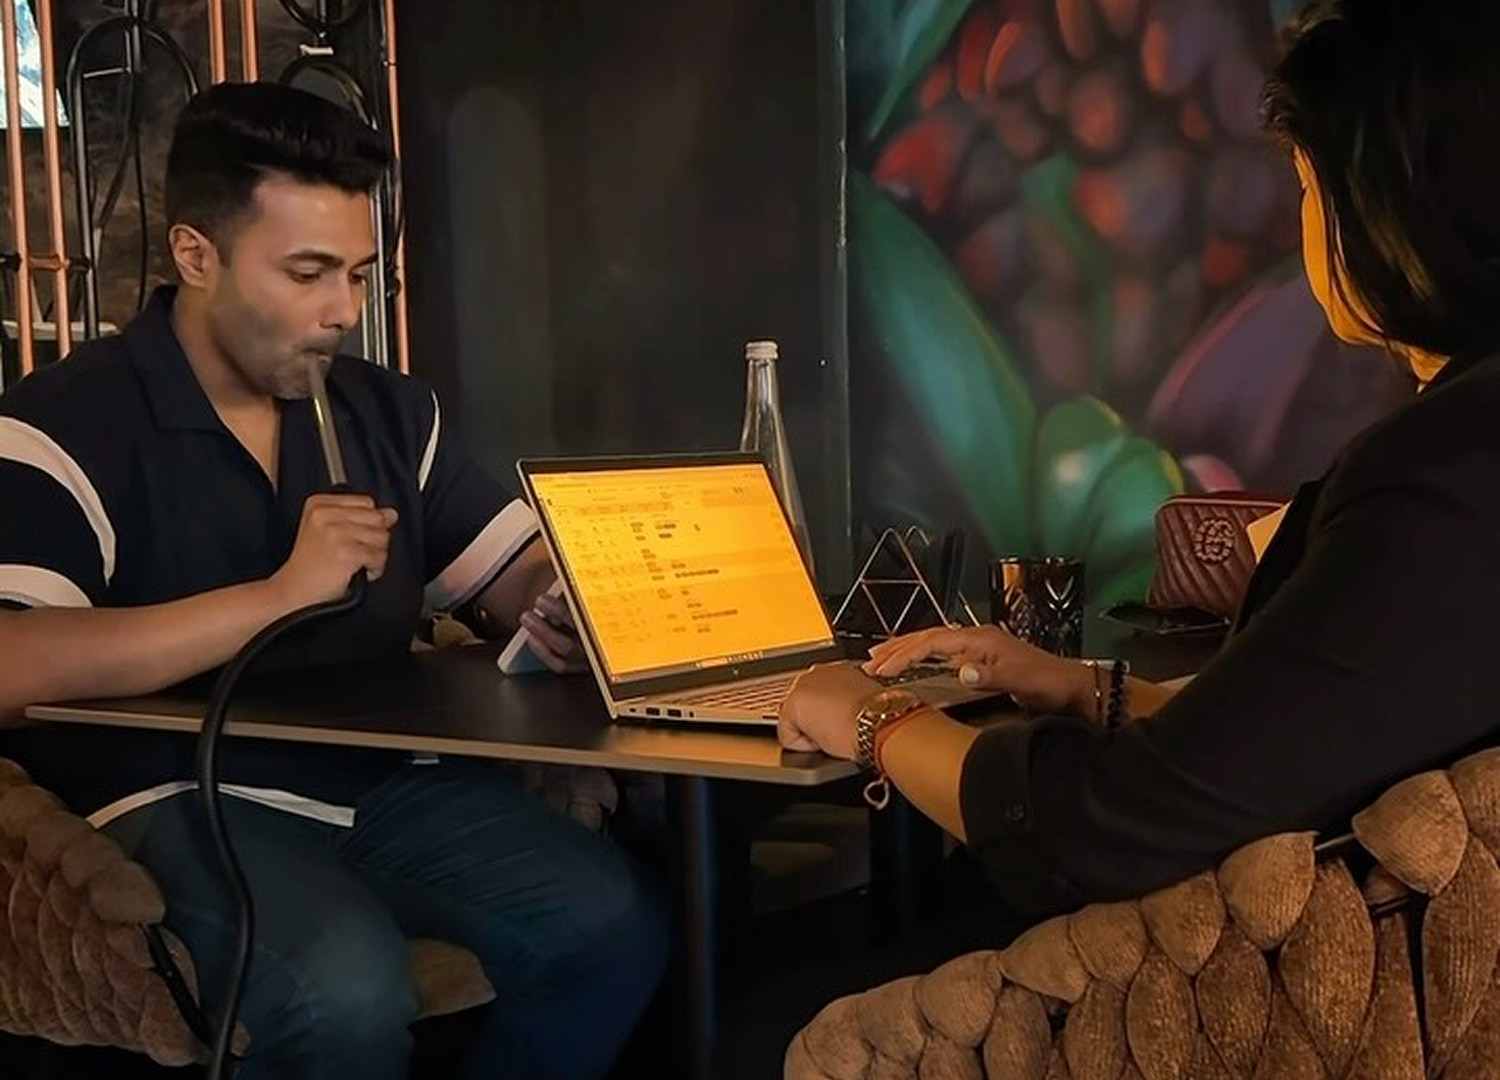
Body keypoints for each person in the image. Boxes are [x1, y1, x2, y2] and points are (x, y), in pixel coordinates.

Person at [762, 0, 1500, 1060]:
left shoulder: (1447, 477)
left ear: (1389, 211)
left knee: (765, 1020)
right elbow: (1328, 729)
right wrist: (1087, 687)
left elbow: (1109, 829)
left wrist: (866, 716)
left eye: (1308, 191)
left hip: (1246, 999)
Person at [0, 82, 665, 1080]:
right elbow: (13, 660)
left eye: (357, 274)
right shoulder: (61, 422)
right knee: (338, 987)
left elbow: (508, 565)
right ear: (196, 255)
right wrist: (274, 595)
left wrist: (557, 601)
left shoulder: (389, 415)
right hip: (173, 793)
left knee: (615, 923)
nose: (342, 311)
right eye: (307, 273)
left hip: (384, 782)